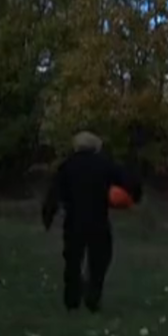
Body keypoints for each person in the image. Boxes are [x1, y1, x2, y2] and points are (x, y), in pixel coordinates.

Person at [41, 131, 142, 312]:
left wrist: (48, 216)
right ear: (96, 147)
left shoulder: (67, 165)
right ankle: (93, 296)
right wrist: (135, 196)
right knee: (100, 260)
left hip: (74, 221)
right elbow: (128, 180)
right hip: (98, 220)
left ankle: (72, 300)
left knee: (72, 261)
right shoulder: (104, 164)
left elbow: (53, 193)